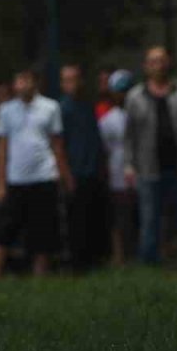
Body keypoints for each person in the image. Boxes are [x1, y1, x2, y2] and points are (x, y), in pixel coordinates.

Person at [122, 47, 177, 268]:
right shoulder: (135, 96)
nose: (158, 65)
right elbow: (129, 135)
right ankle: (149, 263)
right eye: (153, 61)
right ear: (145, 66)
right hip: (148, 167)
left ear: (169, 63)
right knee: (150, 219)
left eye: (162, 60)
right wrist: (128, 165)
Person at [0, 69, 71, 279]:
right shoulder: (6, 110)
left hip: (44, 176)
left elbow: (57, 145)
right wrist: (1, 183)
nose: (22, 84)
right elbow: (2, 149)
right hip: (15, 179)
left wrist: (63, 175)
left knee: (43, 229)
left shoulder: (51, 107)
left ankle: (40, 276)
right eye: (19, 80)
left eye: (27, 79)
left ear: (35, 82)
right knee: (5, 229)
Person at [58, 64, 107, 271]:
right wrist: (67, 175)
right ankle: (77, 264)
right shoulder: (62, 109)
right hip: (75, 172)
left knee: (93, 217)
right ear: (62, 84)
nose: (72, 84)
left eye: (75, 78)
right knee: (76, 221)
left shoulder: (88, 107)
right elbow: (58, 146)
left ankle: (93, 259)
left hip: (92, 171)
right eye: (67, 80)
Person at [99, 70, 137, 265]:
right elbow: (105, 151)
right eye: (119, 91)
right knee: (120, 220)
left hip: (143, 173)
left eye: (126, 90)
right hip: (118, 176)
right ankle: (120, 257)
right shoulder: (107, 120)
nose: (123, 95)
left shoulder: (140, 114)